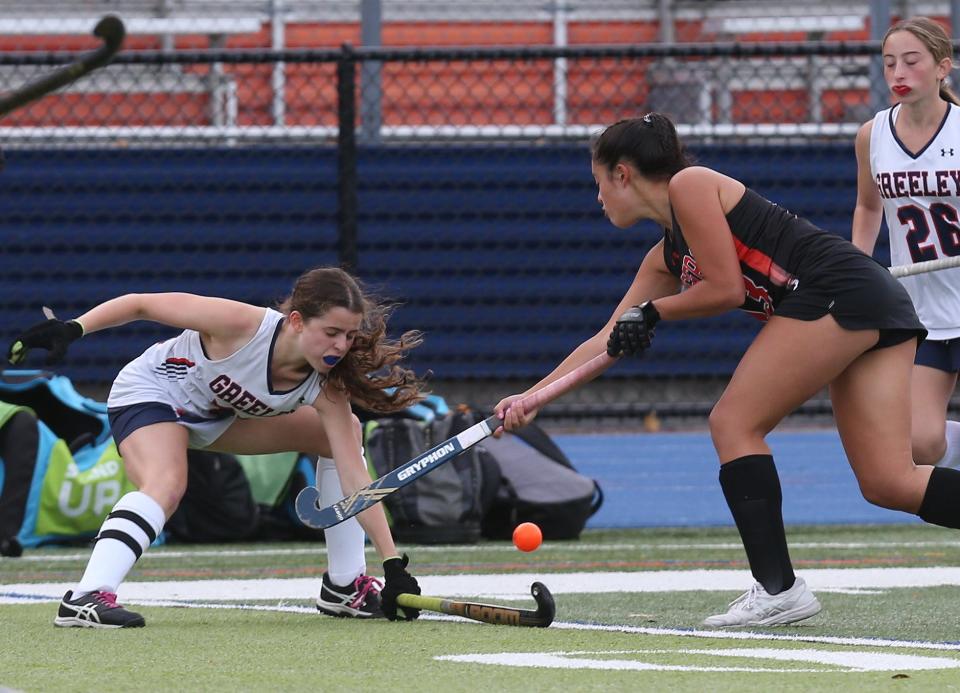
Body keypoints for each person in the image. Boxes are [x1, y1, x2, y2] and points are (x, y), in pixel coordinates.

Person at [494, 112, 960, 627]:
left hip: (838, 291)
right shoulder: (664, 257)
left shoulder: (691, 187)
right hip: (865, 301)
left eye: (600, 183)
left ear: (623, 173)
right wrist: (531, 397)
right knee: (888, 482)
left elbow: (725, 289)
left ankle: (778, 590)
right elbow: (606, 339)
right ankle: (780, 589)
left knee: (733, 422)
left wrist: (653, 312)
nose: (599, 198)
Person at [7, 266, 424, 628]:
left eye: (349, 336)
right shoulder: (241, 324)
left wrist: (391, 562)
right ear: (296, 321)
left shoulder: (328, 386)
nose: (340, 346)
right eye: (331, 332)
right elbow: (141, 304)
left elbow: (357, 480)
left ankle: (346, 586)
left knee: (344, 433)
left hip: (215, 418)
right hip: (152, 392)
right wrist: (74, 327)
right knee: (167, 483)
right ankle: (86, 596)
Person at [851, 16, 960, 470]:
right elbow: (868, 207)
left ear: (942, 68)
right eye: (890, 63)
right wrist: (855, 268)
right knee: (919, 444)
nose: (898, 74)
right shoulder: (872, 134)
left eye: (912, 62)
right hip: (922, 312)